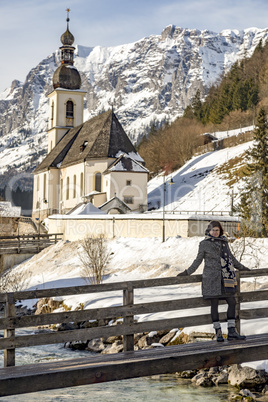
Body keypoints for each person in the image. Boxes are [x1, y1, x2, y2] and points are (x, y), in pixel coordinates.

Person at [178, 220, 250, 342]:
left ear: (220, 231)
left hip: (225, 278)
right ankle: (218, 332)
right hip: (211, 279)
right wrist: (187, 272)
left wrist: (243, 268)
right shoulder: (204, 244)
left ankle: (232, 331)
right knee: (214, 304)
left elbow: (231, 259)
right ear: (209, 231)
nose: (215, 232)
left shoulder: (224, 242)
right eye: (213, 230)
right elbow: (198, 260)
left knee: (232, 302)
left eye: (217, 230)